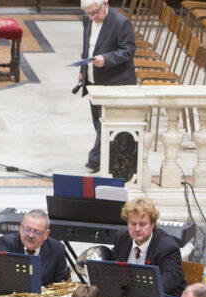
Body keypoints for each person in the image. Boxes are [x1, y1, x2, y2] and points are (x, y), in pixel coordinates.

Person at [112, 197, 186, 297]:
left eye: (143, 224)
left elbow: (166, 284)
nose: (137, 229)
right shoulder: (122, 238)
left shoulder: (167, 247)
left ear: (153, 224)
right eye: (132, 224)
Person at [76, 1, 136, 173]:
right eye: (89, 14)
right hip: (93, 80)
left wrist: (107, 59)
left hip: (114, 80)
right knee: (98, 122)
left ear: (105, 4)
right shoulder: (88, 19)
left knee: (106, 123)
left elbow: (128, 50)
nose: (93, 17)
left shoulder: (120, 22)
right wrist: (83, 70)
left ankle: (95, 159)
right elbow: (87, 49)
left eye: (96, 13)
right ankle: (105, 156)